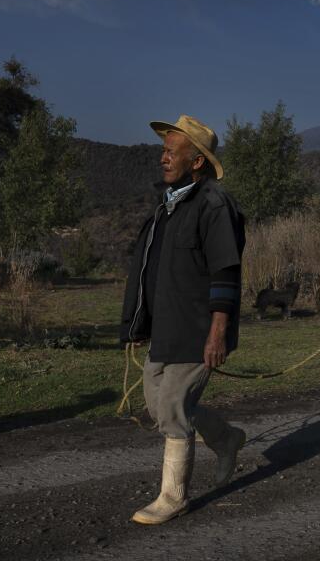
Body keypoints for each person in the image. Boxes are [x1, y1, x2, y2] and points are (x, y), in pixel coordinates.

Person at [119, 114, 248, 525]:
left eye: (172, 152)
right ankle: (227, 438)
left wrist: (218, 331)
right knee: (157, 404)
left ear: (196, 161)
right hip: (167, 326)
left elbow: (225, 271)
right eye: (163, 150)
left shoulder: (213, 203)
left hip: (198, 327)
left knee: (173, 404)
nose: (163, 158)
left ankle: (173, 496)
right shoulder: (169, 205)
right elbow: (153, 272)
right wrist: (141, 324)